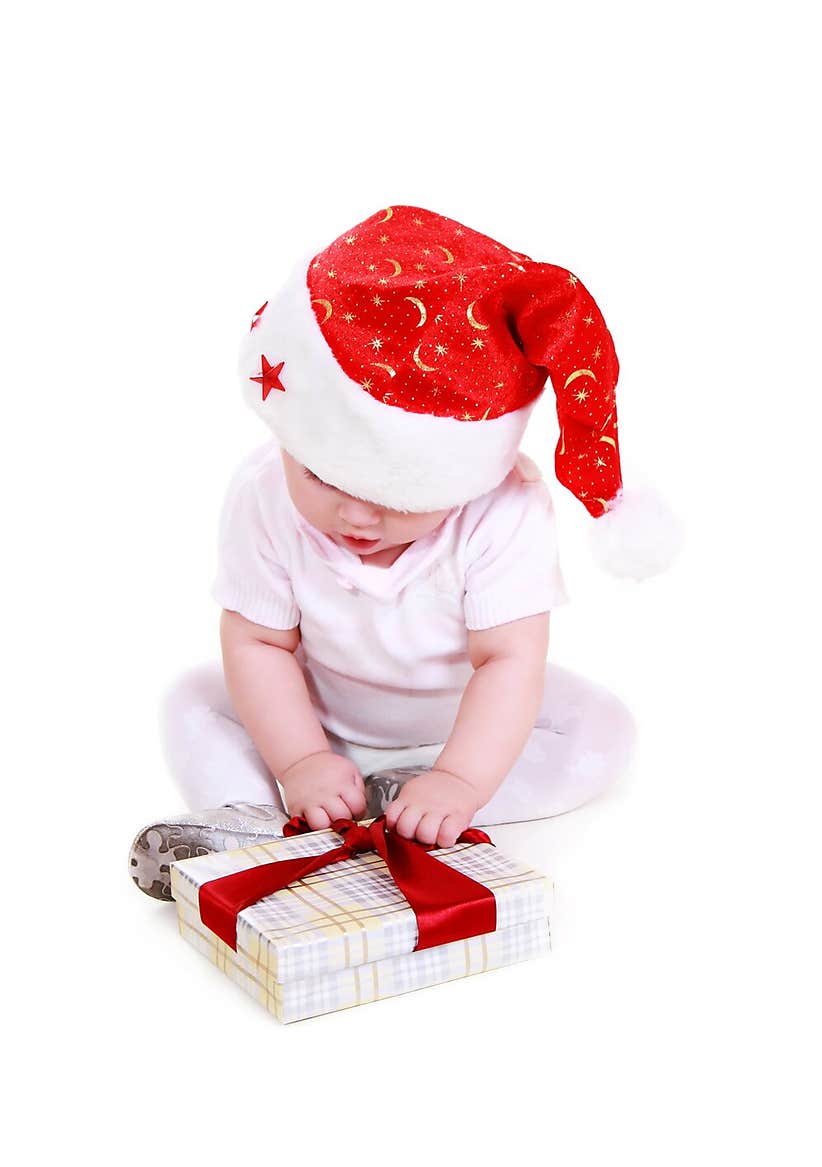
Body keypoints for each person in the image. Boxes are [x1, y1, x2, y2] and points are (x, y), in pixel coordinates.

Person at [129, 204, 677, 900]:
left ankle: (415, 805)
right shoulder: (264, 491)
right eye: (322, 476)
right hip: (312, 712)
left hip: (458, 723)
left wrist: (461, 777)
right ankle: (249, 817)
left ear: (464, 471)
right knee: (192, 698)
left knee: (601, 730)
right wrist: (298, 759)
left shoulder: (503, 511)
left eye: (399, 496)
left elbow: (507, 662)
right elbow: (259, 644)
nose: (355, 513)